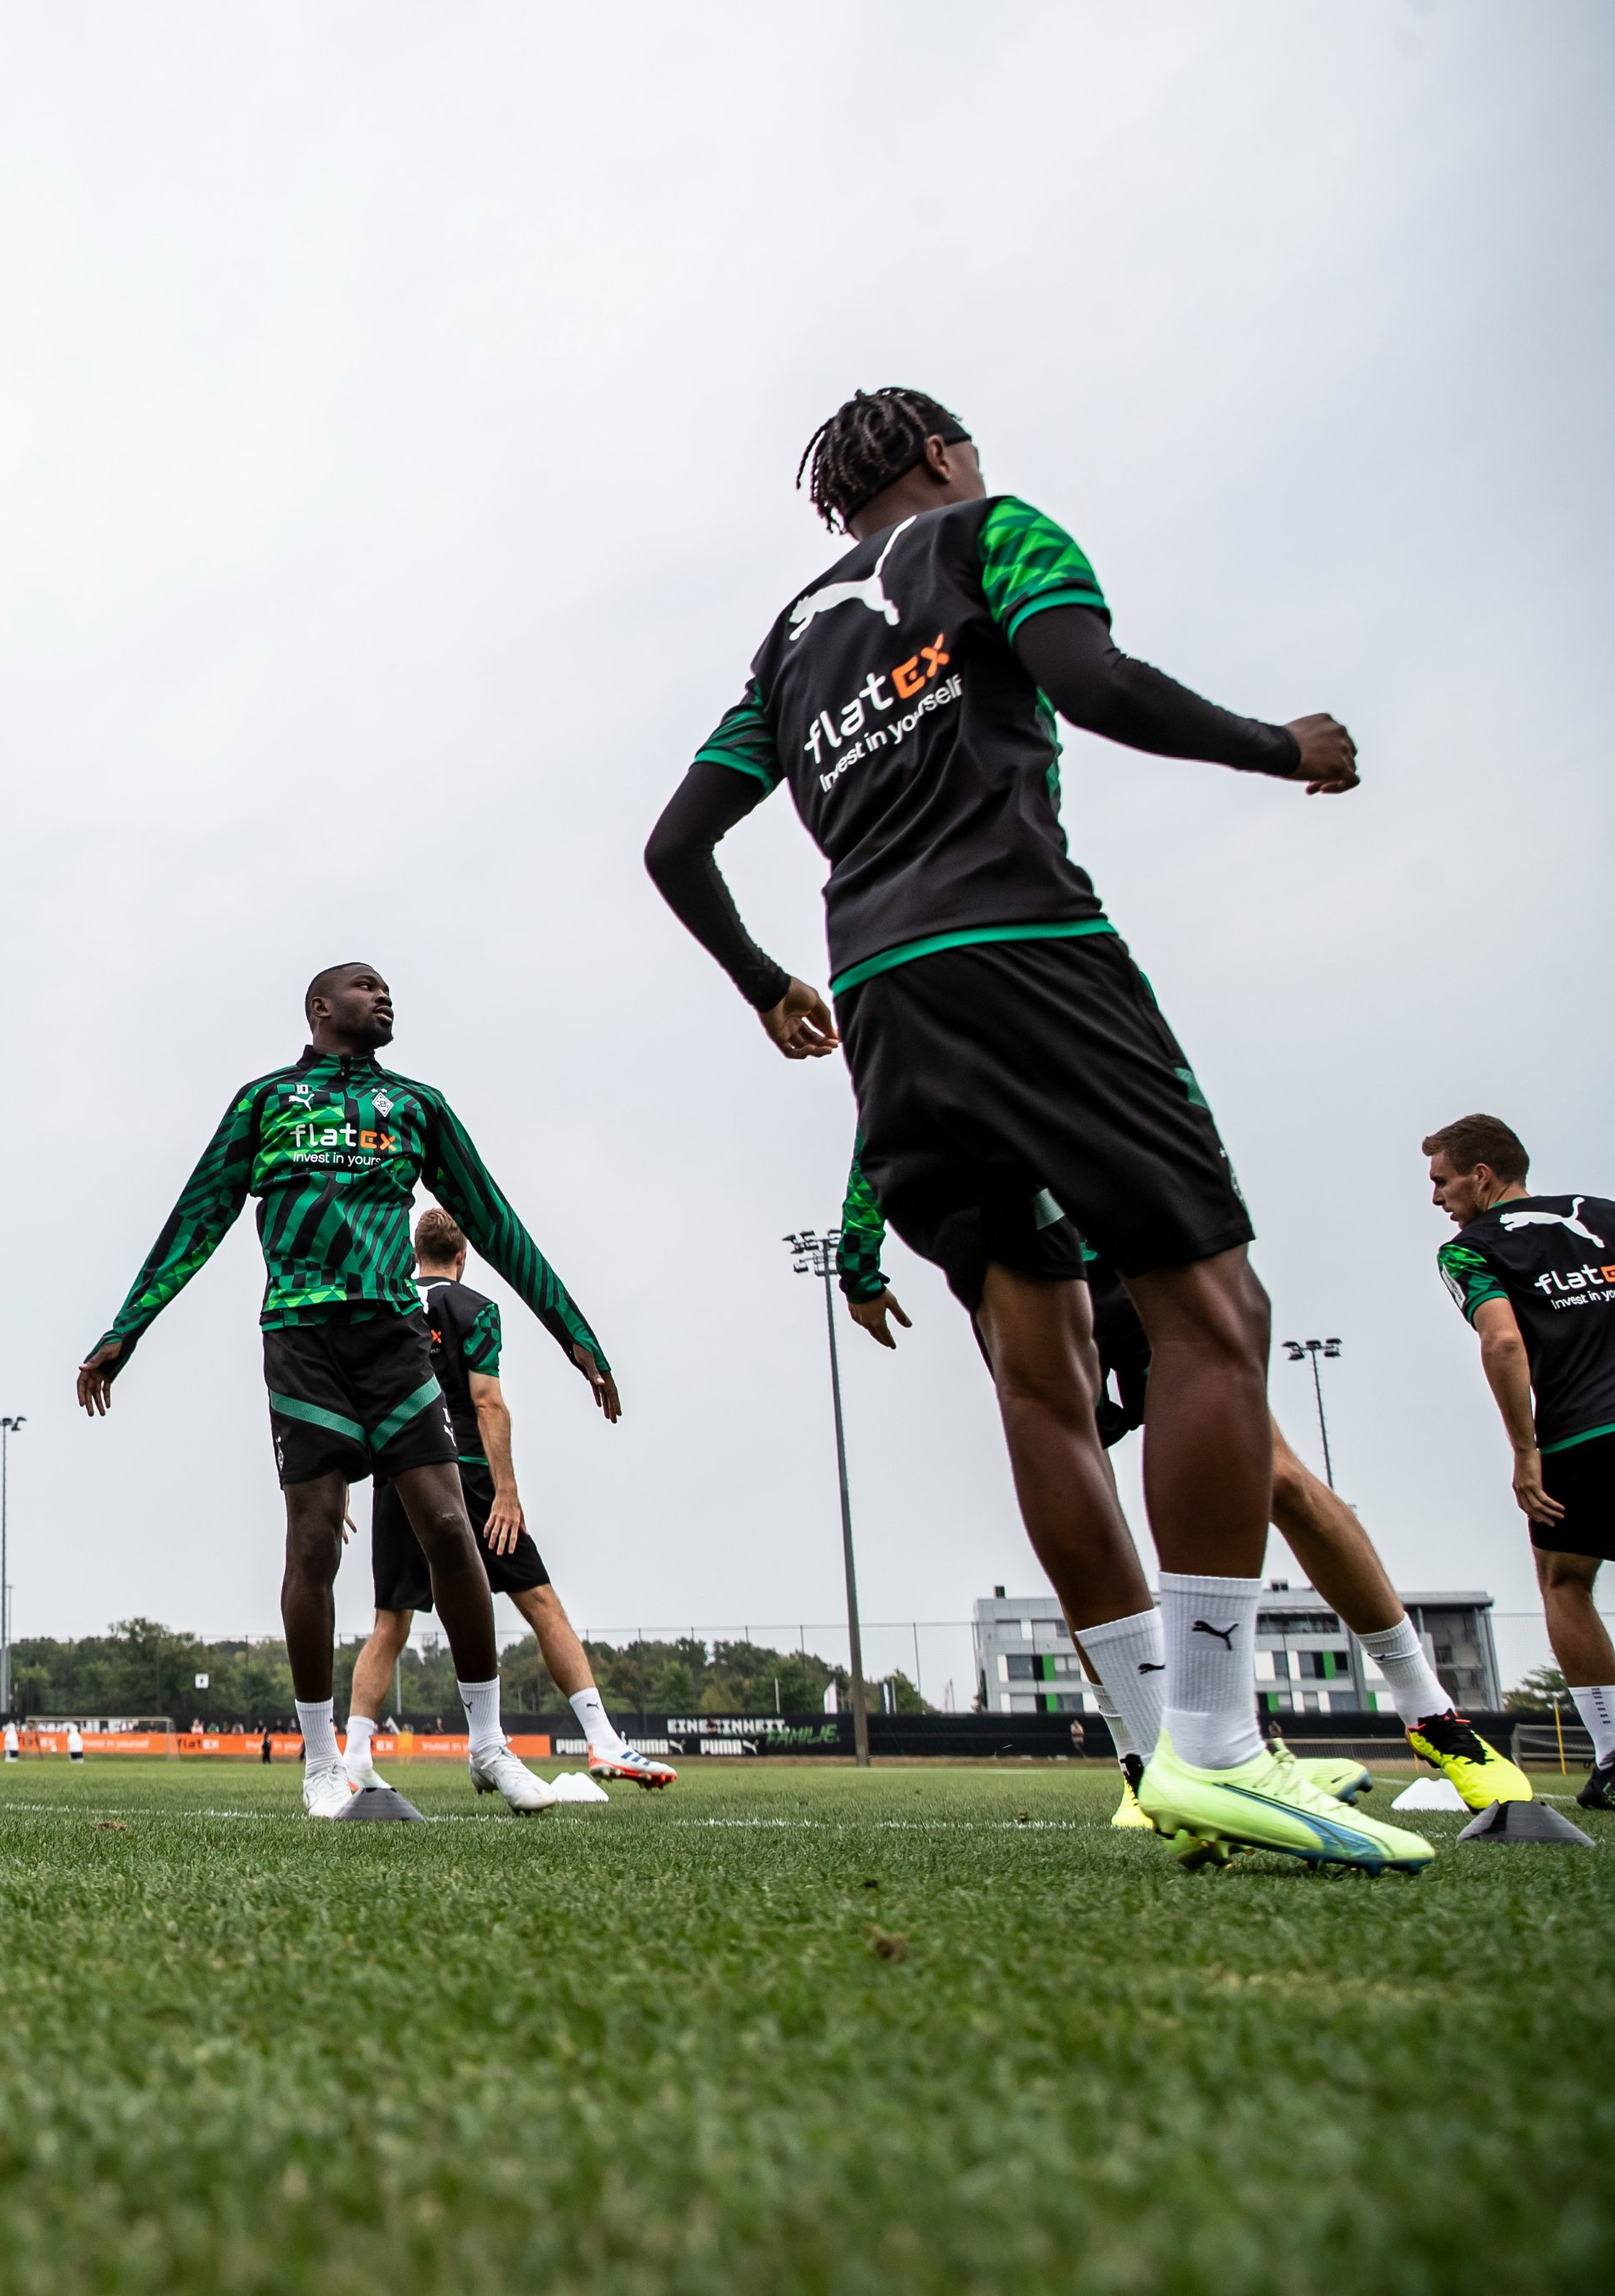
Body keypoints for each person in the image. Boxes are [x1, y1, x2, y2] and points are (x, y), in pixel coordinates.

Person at [643, 385, 1426, 1869]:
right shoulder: (990, 533)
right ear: (942, 455)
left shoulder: (791, 641)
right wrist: (1283, 746)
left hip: (883, 1000)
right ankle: (1220, 1744)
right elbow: (1091, 678)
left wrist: (763, 985)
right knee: (1213, 1314)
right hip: (1023, 949)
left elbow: (675, 844)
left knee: (1036, 1368)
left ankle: (1154, 1749)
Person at [78, 965, 615, 1818]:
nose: (385, 995)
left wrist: (573, 1332)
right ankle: (322, 1760)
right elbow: (198, 1214)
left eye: (389, 986)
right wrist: (126, 1326)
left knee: (450, 1526)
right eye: (367, 986)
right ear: (321, 1007)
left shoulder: (416, 1105)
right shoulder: (266, 1101)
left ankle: (488, 1744)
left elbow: (494, 1221)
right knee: (313, 1539)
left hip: (394, 1338)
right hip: (301, 1337)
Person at [840, 1158, 1527, 1819]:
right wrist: (859, 1262)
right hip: (1021, 1257)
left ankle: (1432, 1714)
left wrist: (1211, 1217)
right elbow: (891, 1115)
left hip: (1142, 1244)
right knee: (1086, 1502)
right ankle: (1142, 1759)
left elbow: (1166, 1096)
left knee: (1274, 1472)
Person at [344, 1210, 674, 1793]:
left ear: (413, 1255)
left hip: (397, 1475)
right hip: (466, 1476)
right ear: (463, 1256)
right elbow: (487, 1402)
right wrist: (507, 1491)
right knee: (540, 1602)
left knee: (389, 1622)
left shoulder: (387, 1307)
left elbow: (356, 1402)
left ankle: (355, 1756)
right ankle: (601, 1739)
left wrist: (345, 1480)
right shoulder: (475, 1309)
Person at [1422, 1114, 1615, 1811]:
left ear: (1482, 1175)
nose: (1437, 1198)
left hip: (1581, 1436)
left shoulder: (1468, 1249)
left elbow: (1503, 1342)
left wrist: (1525, 1451)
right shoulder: (1605, 1214)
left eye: (1443, 1181)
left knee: (1565, 1580)